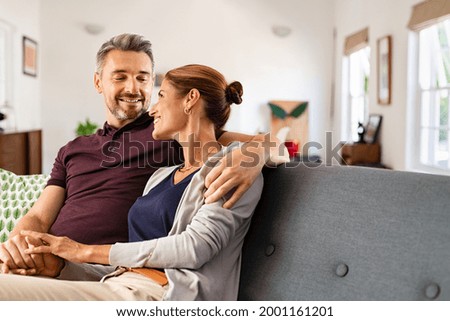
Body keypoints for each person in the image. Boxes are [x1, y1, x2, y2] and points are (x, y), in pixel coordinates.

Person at [0, 34, 285, 277]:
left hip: (112, 269)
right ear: (99, 82)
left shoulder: (171, 132)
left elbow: (274, 145)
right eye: (120, 77)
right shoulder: (73, 149)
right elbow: (38, 216)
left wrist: (254, 154)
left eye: (142, 78)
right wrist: (17, 247)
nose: (133, 88)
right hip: (54, 262)